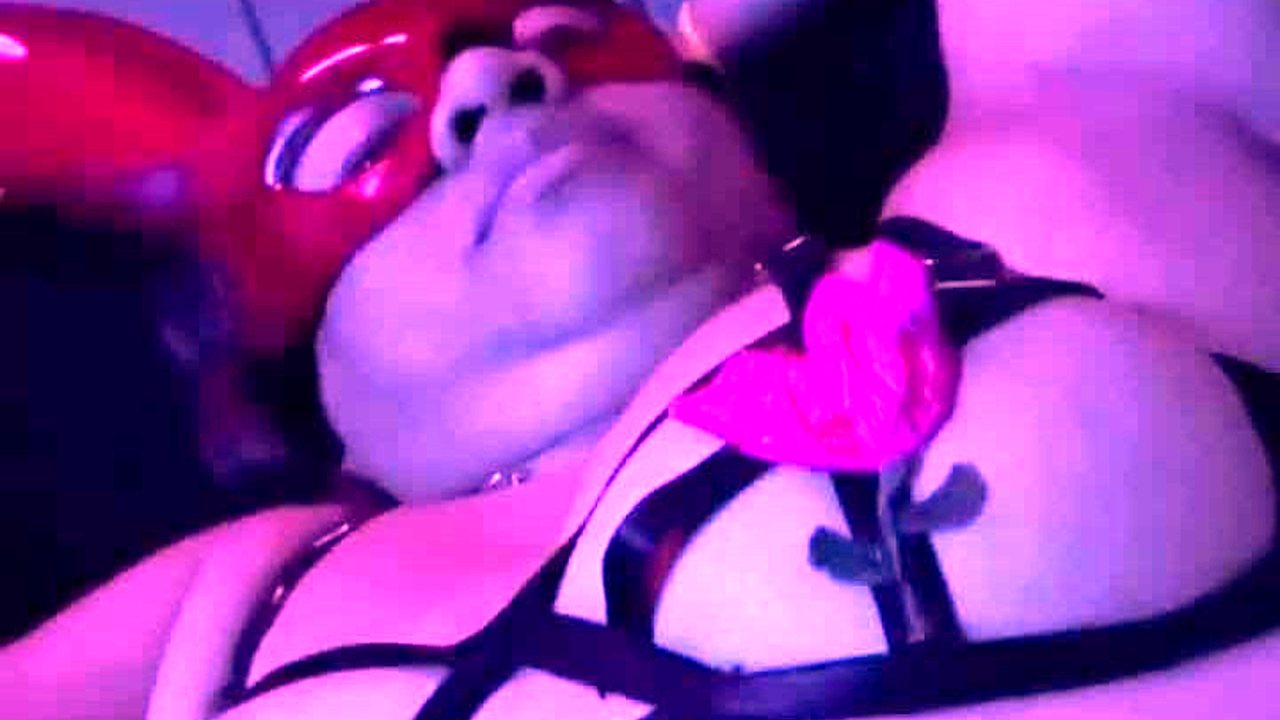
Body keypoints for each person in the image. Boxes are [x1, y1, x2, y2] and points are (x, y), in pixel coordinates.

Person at [3, 0, 1277, 718]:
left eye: (570, 41)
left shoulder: (1037, 177)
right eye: (357, 145)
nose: (495, 81)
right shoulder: (237, 597)